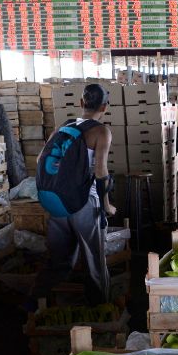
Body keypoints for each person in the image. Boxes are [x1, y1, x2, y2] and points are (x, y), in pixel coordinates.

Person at [35, 83, 118, 304]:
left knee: (59, 263)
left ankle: (36, 305)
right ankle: (101, 316)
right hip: (84, 204)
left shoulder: (64, 126)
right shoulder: (101, 131)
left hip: (56, 203)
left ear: (81, 103)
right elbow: (101, 173)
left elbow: (39, 159)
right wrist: (107, 206)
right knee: (95, 265)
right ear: (105, 107)